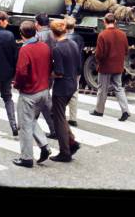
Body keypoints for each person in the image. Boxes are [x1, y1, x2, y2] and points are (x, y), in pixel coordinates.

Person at [12, 21, 53, 168]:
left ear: (21, 34)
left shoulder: (25, 50)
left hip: (30, 92)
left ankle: (27, 158)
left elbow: (21, 72)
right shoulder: (44, 46)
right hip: (44, 90)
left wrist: (17, 85)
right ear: (35, 31)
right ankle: (44, 146)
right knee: (31, 120)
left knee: (24, 124)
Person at [49, 20, 82, 162]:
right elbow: (78, 66)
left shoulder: (57, 48)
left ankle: (65, 151)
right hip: (72, 83)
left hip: (62, 86)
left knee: (58, 119)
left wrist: (48, 74)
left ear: (53, 33)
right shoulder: (73, 43)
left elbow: (59, 72)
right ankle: (72, 142)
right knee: (58, 115)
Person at [90, 13, 130, 121]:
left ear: (104, 22)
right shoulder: (122, 34)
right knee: (119, 87)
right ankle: (125, 110)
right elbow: (126, 50)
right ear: (115, 22)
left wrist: (99, 61)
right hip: (118, 66)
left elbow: (99, 54)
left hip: (105, 67)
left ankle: (99, 110)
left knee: (102, 89)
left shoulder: (102, 35)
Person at [34, 13, 58, 138]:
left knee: (41, 100)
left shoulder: (38, 36)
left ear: (37, 23)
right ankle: (53, 128)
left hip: (40, 72)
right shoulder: (53, 34)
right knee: (44, 99)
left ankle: (29, 123)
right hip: (50, 71)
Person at [65, 16, 84, 127]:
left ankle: (59, 116)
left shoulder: (62, 39)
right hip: (76, 69)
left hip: (66, 69)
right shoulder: (79, 38)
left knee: (61, 93)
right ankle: (73, 118)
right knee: (74, 92)